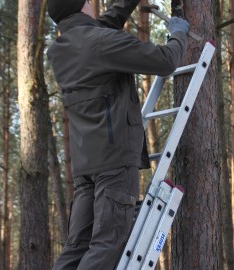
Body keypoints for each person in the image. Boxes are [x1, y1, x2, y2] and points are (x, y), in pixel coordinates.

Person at [46, 0, 189, 269]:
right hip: (115, 161)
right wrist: (178, 33)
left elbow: (101, 27)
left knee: (77, 246)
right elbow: (165, 60)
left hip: (86, 165)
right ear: (81, 7)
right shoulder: (101, 42)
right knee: (108, 243)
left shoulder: (60, 50)